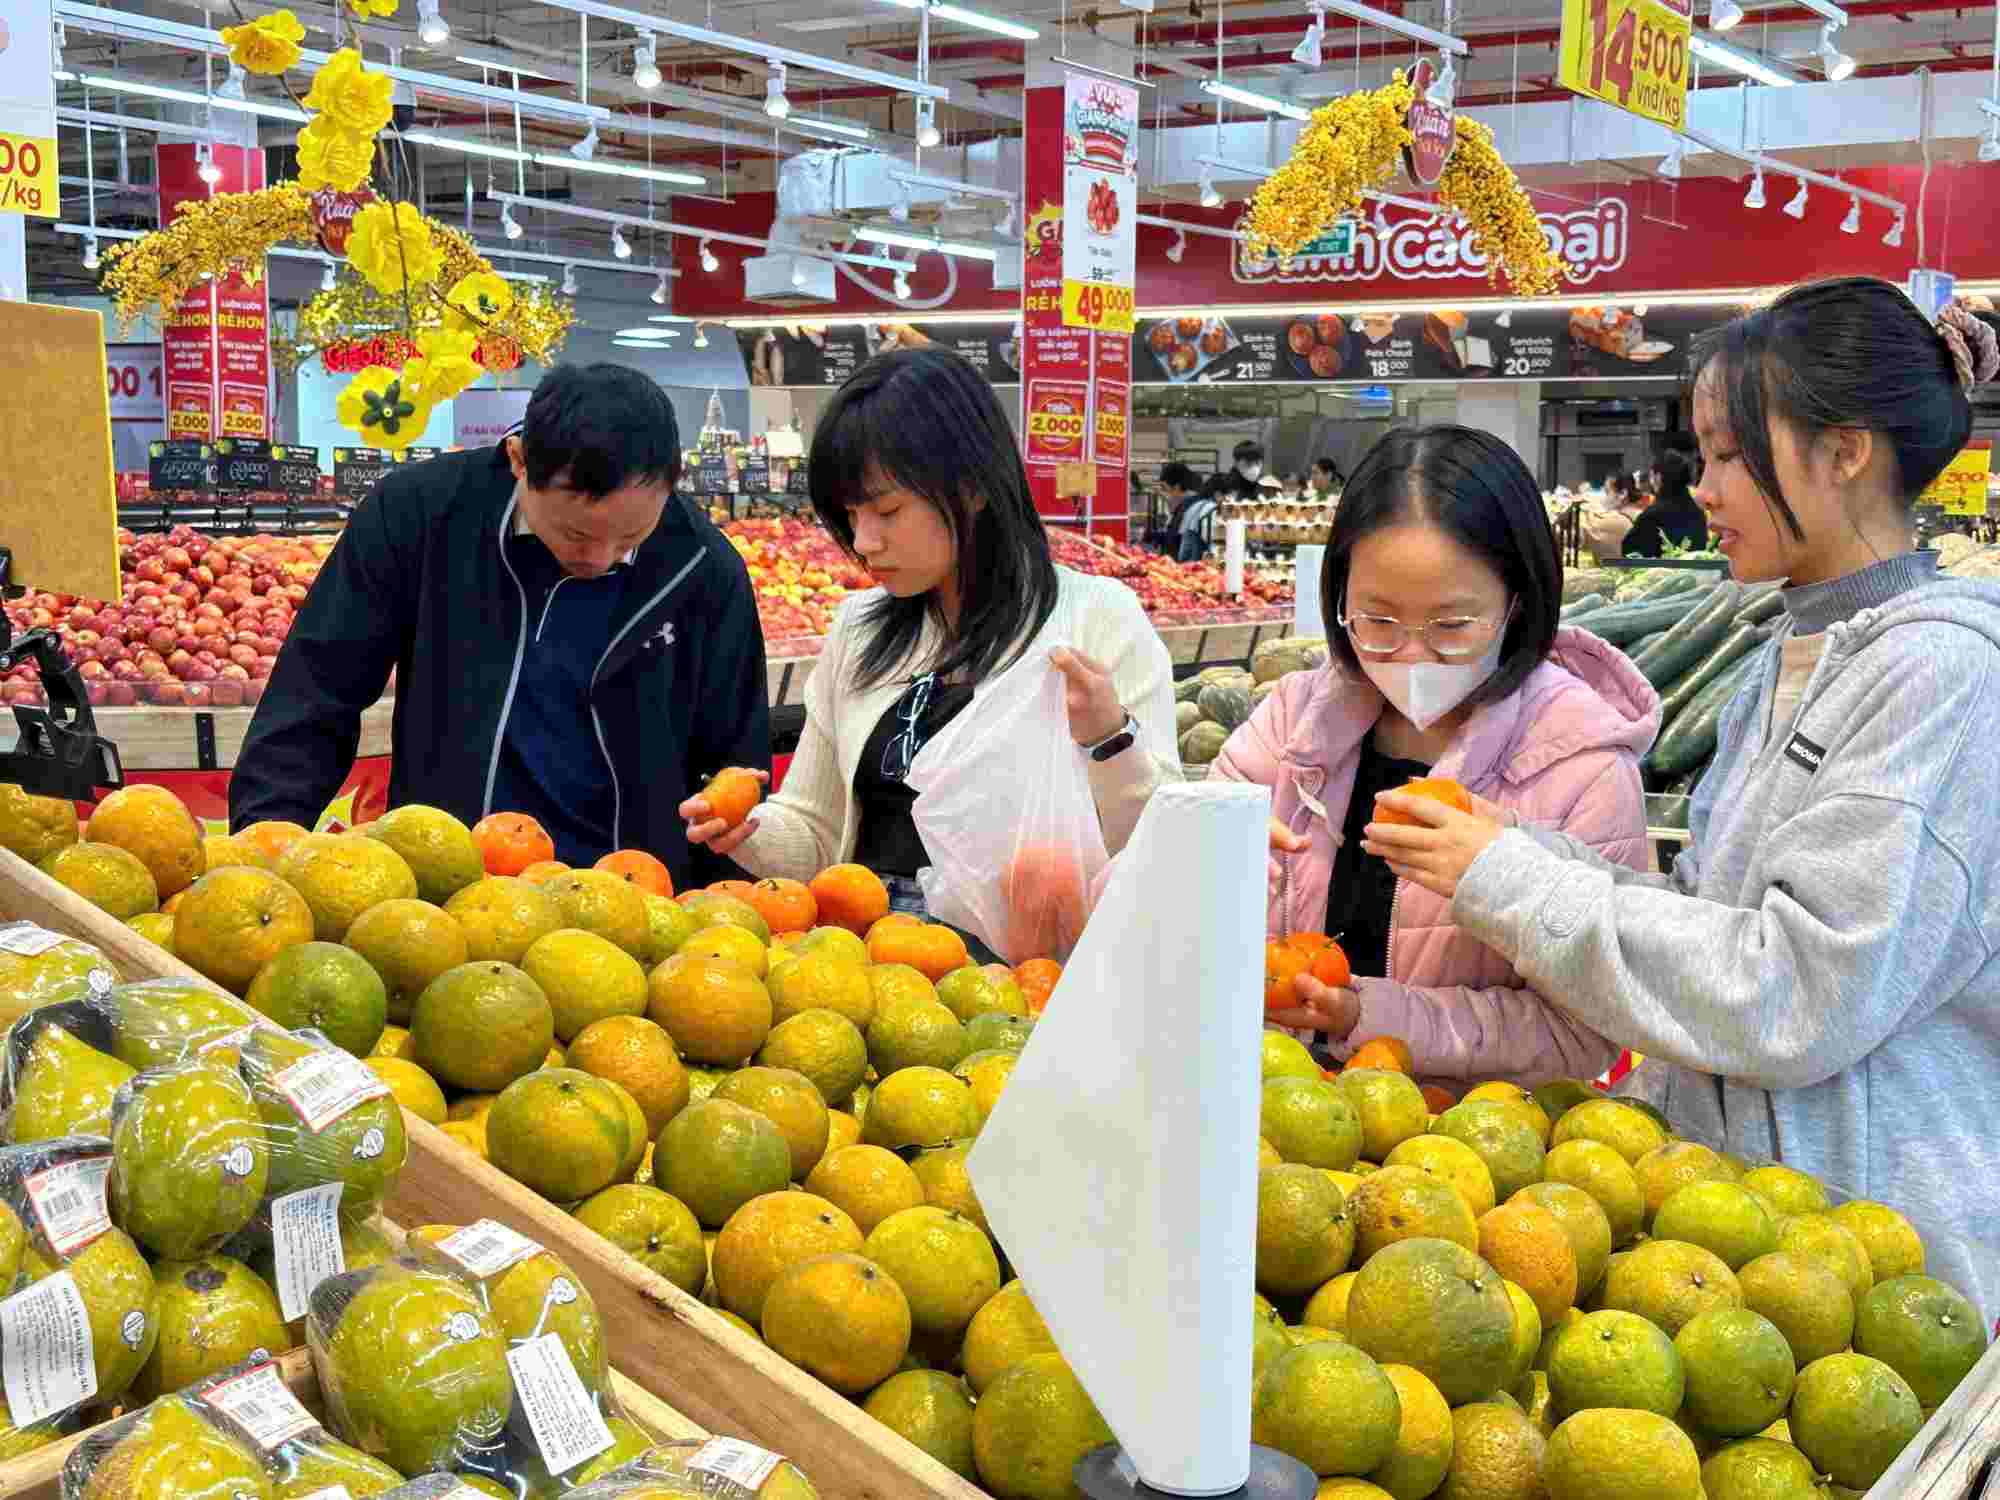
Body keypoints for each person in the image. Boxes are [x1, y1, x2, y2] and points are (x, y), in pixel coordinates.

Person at [1361, 279, 2000, 1311]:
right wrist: (1517, 845)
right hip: (1747, 1232)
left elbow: (1795, 996)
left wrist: (1514, 882)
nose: (1698, 488)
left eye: (1726, 455)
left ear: (1843, 454)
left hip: (1875, 1261)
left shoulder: (1940, 679)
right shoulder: (1786, 654)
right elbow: (1709, 920)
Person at [682, 346, 1179, 957]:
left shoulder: (1097, 621)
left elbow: (1160, 844)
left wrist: (1111, 740)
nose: (864, 541)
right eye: (851, 514)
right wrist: (745, 828)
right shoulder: (859, 629)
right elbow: (815, 830)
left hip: (1020, 980)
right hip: (858, 968)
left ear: (969, 487)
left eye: (887, 510)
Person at [1212, 425, 1662, 1084]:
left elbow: (1584, 1032)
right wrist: (1198, 851)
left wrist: (1367, 1015)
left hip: (1466, 1156)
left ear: (1518, 603)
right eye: (1378, 621)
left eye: (1453, 626)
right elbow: (1156, 917)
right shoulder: (1292, 723)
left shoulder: (1582, 768)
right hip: (1266, 1120)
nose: (1414, 656)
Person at [231, 363, 770, 887]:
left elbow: (735, 754)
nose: (603, 559)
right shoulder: (420, 515)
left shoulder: (704, 567)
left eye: (631, 538)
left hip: (630, 900)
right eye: (578, 536)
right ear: (518, 459)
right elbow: (318, 689)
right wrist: (261, 844)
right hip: (449, 891)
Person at [1623, 449, 1708, 556]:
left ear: (1658, 477)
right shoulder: (1699, 514)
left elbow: (1630, 553)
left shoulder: (1651, 516)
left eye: (1652, 475)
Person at [1580, 471, 1649, 563]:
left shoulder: (1619, 520)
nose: (1603, 497)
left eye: (1607, 491)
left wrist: (1588, 510)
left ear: (1622, 494)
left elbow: (1581, 536)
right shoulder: (1638, 513)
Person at [1150, 462, 1206, 554]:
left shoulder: (1189, 508)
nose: (1164, 494)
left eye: (1164, 488)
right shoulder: (1190, 503)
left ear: (1177, 487)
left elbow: (1176, 544)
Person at [1209, 440, 1267, 504]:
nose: (1254, 468)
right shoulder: (1219, 482)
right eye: (1248, 463)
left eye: (1258, 463)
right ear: (1236, 463)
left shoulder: (1266, 484)